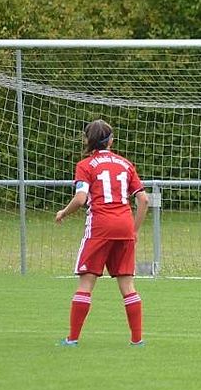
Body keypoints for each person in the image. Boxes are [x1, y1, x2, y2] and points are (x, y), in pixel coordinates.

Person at [55, 119, 148, 347]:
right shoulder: (125, 164)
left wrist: (63, 213)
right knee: (128, 286)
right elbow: (143, 200)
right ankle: (137, 340)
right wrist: (134, 230)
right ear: (111, 141)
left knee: (86, 284)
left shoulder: (86, 165)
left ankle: (72, 339)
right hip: (124, 226)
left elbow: (80, 199)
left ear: (87, 140)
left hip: (100, 226)